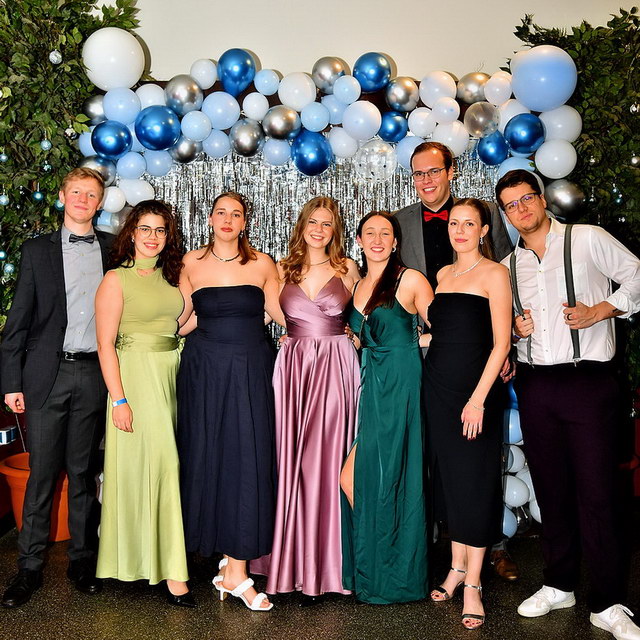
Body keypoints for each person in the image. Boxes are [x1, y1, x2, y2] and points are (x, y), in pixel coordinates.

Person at [497, 169, 640, 640]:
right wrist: (514, 332)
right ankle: (559, 584)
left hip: (588, 382)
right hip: (537, 386)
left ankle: (608, 602)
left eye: (526, 199)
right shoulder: (508, 264)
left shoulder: (587, 238)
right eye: (511, 205)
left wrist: (604, 309)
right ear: (506, 214)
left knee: (599, 494)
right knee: (551, 491)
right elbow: (508, 327)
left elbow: (637, 274)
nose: (521, 210)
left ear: (542, 199)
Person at [394, 140, 519, 582]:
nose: (426, 179)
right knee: (444, 469)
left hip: (477, 365)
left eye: (434, 170)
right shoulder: (403, 226)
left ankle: (487, 558)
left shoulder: (489, 238)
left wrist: (505, 348)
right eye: (418, 172)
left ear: (451, 172)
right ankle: (451, 562)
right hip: (433, 366)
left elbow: (505, 287)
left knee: (477, 469)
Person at [0, 168, 111, 607]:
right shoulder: (35, 250)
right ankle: (28, 569)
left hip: (94, 375)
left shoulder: (113, 249)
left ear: (100, 203)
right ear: (63, 196)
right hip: (46, 376)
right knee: (42, 476)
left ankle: (82, 562)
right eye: (76, 191)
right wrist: (11, 382)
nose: (83, 199)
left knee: (83, 474)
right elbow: (17, 321)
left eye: (91, 194)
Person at [177, 192, 284, 612]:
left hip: (251, 368)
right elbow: (183, 321)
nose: (227, 219)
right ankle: (224, 562)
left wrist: (329, 326)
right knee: (206, 456)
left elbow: (279, 313)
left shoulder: (263, 264)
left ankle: (237, 569)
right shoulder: (190, 262)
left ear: (244, 223)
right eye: (221, 212)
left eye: (235, 214)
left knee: (247, 459)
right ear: (209, 219)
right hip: (203, 370)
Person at [252, 196, 360, 603]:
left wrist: (352, 337)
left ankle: (331, 566)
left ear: (335, 231)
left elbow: (365, 316)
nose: (319, 229)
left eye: (327, 224)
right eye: (313, 222)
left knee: (330, 459)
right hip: (295, 368)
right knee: (291, 460)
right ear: (302, 225)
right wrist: (295, 333)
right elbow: (265, 314)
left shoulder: (348, 268)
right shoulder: (282, 268)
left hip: (336, 367)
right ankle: (292, 561)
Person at [94, 200, 194, 607]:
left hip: (171, 374)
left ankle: (149, 559)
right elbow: (105, 345)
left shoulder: (173, 277)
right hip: (134, 377)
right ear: (131, 233)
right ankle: (173, 573)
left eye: (160, 230)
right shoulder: (115, 279)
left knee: (159, 467)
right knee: (161, 465)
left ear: (168, 236)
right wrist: (118, 399)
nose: (153, 237)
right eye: (145, 229)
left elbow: (179, 325)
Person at [423, 198, 512, 630]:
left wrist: (478, 399)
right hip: (438, 390)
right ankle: (456, 567)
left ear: (483, 230)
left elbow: (501, 343)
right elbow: (442, 335)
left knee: (475, 483)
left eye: (468, 224)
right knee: (451, 483)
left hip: (475, 394)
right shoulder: (442, 275)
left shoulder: (495, 273)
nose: (459, 230)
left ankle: (474, 582)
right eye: (454, 223)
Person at [340, 212, 433, 604]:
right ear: (359, 241)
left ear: (395, 242)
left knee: (386, 475)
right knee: (361, 479)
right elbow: (364, 336)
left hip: (400, 383)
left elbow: (445, 329)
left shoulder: (409, 280)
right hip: (369, 383)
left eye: (385, 234)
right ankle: (381, 565)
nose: (377, 239)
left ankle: (395, 574)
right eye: (370, 233)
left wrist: (411, 345)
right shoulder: (357, 284)